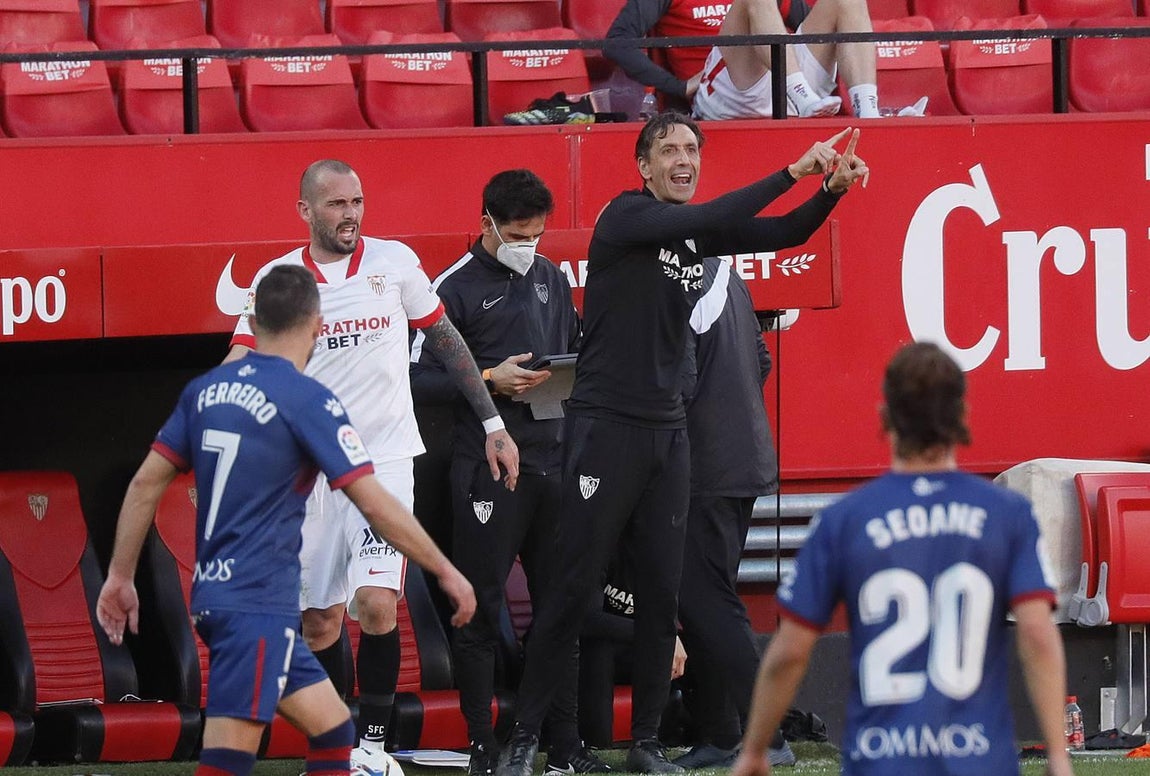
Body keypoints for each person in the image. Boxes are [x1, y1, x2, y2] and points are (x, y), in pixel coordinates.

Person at [495, 113, 869, 776]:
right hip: (607, 427)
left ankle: (645, 744)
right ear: (644, 166)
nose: (683, 159)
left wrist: (830, 192)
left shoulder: (693, 236)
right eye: (668, 149)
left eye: (692, 149)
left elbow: (781, 233)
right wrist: (793, 170)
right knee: (573, 589)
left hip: (669, 435)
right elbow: (724, 213)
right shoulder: (625, 216)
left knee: (663, 598)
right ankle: (525, 739)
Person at [95, 265, 478, 776]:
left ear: (254, 322)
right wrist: (445, 570)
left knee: (333, 728)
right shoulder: (306, 398)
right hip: (254, 606)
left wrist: (120, 577)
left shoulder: (206, 391)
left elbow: (144, 485)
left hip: (219, 596)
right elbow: (374, 503)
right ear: (318, 325)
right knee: (227, 762)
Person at [223, 160, 519, 769]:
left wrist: (493, 423)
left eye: (357, 201)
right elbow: (241, 360)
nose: (351, 214)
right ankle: (337, 745)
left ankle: (374, 749)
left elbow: (446, 341)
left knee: (378, 604)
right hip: (308, 474)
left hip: (382, 463)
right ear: (305, 211)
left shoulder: (395, 263)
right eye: (337, 204)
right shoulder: (278, 279)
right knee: (319, 622)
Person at [730, 342, 1073, 776]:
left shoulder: (844, 519)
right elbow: (1038, 635)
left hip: (881, 761)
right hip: (980, 760)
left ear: (885, 416)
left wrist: (755, 749)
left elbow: (790, 651)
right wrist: (1058, 755)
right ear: (962, 416)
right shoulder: (1008, 514)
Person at [408, 170, 605, 776]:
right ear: (487, 223)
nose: (529, 246)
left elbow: (575, 353)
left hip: (554, 459)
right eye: (518, 235)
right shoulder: (451, 287)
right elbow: (415, 378)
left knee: (560, 610)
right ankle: (482, 746)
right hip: (487, 468)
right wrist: (491, 379)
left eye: (537, 235)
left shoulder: (550, 277)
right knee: (479, 606)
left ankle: (565, 749)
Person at [673, 256, 795, 769]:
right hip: (739, 459)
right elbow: (761, 360)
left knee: (707, 599)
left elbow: (676, 382)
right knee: (707, 596)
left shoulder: (676, 281)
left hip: (707, 465)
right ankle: (721, 734)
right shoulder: (726, 274)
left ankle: (767, 734)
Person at [603, 0, 890, 120]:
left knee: (846, 2)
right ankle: (801, 95)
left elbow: (814, 32)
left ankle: (869, 111)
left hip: (781, 80)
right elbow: (617, 42)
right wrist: (676, 86)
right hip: (724, 95)